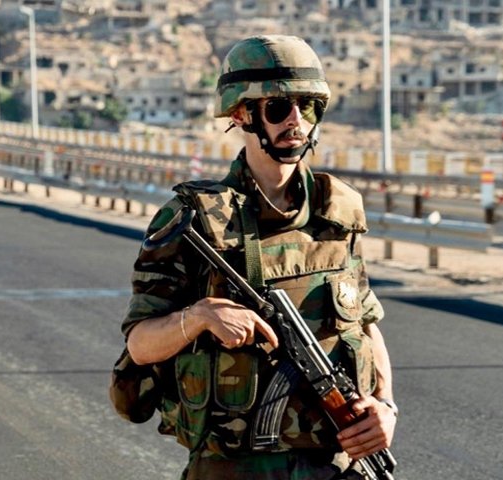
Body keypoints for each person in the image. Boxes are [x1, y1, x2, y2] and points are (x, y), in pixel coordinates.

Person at [121, 35, 397, 479]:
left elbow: (366, 324)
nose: (295, 122)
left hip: (334, 463)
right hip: (233, 467)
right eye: (277, 108)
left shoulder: (337, 211)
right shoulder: (193, 219)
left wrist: (384, 408)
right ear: (240, 114)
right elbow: (139, 343)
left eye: (307, 107)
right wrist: (200, 317)